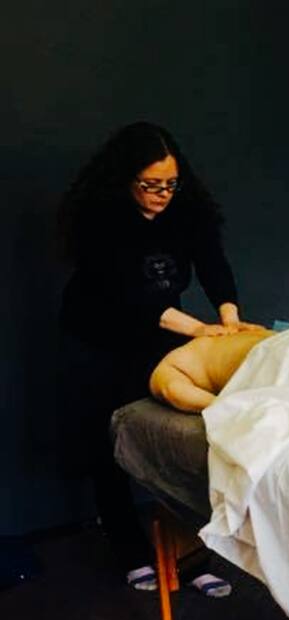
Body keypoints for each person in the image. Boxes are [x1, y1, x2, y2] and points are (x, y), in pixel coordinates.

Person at [57, 121, 262, 595]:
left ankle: (189, 555)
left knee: (176, 439)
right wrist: (201, 331)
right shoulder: (99, 218)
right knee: (107, 437)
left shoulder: (186, 210)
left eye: (170, 184)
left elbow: (213, 263)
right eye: (151, 185)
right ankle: (131, 552)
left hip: (163, 329)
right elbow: (127, 293)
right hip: (98, 334)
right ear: (125, 179)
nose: (162, 194)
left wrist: (229, 317)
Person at [150, 329, 275, 413]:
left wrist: (234, 408)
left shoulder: (173, 361)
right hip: (274, 343)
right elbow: (173, 390)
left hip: (262, 361)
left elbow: (173, 391)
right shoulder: (230, 329)